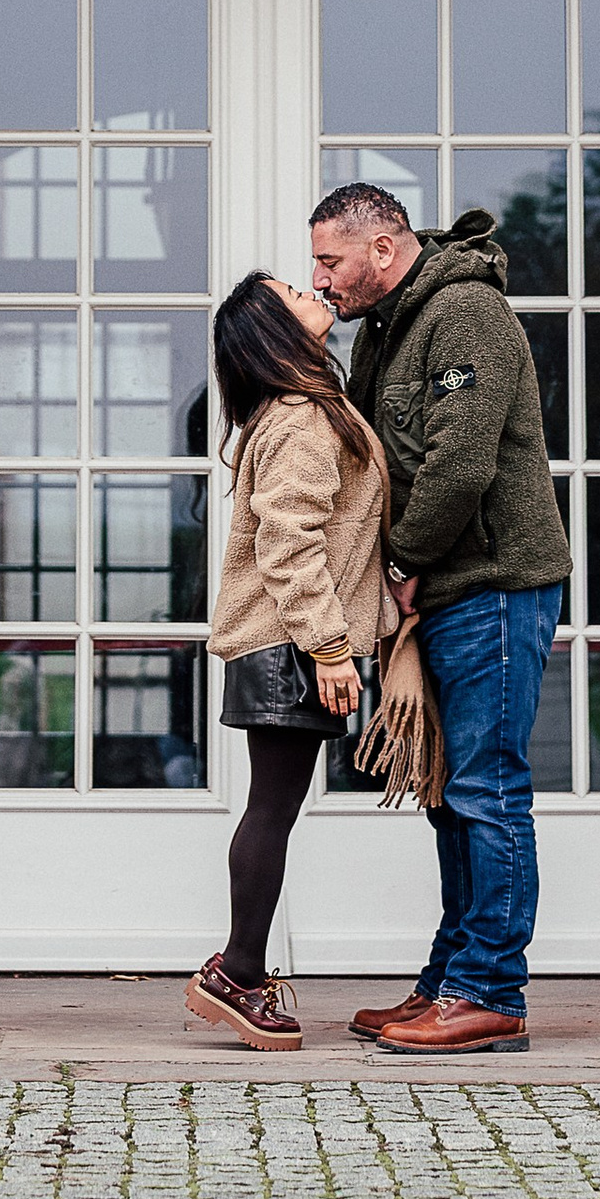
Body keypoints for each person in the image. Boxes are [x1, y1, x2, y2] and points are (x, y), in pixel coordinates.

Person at [310, 184, 570, 1057]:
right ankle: (448, 979)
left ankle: (490, 992)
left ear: (383, 249)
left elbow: (459, 463)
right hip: (443, 588)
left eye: (331, 260)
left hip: (491, 583)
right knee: (449, 799)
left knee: (485, 790)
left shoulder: (466, 313)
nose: (323, 277)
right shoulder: (386, 329)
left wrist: (401, 563)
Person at [190, 270, 388, 1050]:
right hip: (289, 642)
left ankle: (239, 970)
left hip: (281, 640)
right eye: (291, 292)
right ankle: (236, 974)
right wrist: (332, 648)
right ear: (276, 326)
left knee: (273, 807)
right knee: (271, 809)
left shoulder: (291, 409)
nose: (313, 290)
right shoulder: (303, 417)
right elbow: (290, 544)